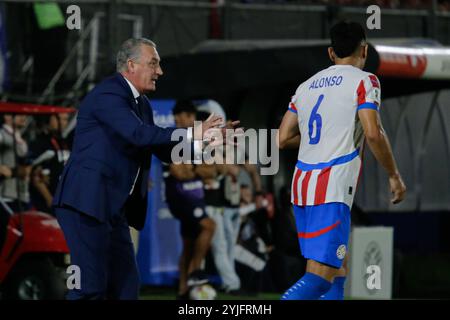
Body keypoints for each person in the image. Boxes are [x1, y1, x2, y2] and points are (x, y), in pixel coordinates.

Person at [52, 38, 229, 300]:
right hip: (85, 203)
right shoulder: (108, 93)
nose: (160, 71)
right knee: (89, 289)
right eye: (154, 63)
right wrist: (193, 132)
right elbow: (138, 134)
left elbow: (163, 149)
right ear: (131, 65)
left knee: (126, 289)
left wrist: (204, 144)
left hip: (114, 208)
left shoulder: (142, 104)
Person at [277, 21, 406, 300]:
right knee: (320, 278)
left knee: (336, 267)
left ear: (330, 53)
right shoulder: (365, 81)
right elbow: (373, 133)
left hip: (302, 187)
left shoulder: (306, 86)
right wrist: (394, 175)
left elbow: (283, 138)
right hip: (331, 186)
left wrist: (323, 140)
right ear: (365, 49)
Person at [163, 100, 216, 299]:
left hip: (196, 195)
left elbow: (211, 169)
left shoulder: (200, 140)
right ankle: (195, 272)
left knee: (188, 242)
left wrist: (193, 167)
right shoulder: (172, 139)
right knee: (209, 226)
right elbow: (179, 172)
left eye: (182, 117)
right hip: (179, 195)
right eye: (176, 118)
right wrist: (197, 168)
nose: (178, 121)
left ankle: (183, 290)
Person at [30, 113, 71, 213]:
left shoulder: (64, 142)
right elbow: (36, 176)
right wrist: (49, 199)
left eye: (65, 120)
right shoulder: (40, 142)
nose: (62, 123)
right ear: (49, 119)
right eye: (59, 119)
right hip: (47, 205)